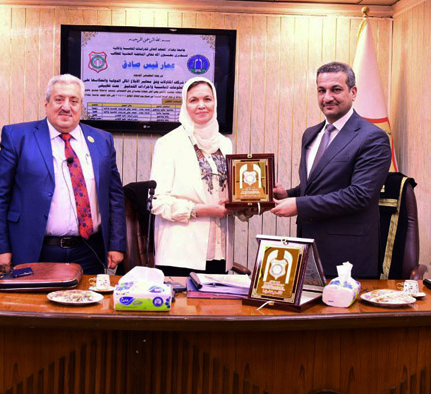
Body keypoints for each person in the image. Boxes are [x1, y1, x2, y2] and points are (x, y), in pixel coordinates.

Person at [0, 74, 126, 274]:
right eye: (59, 99)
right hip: (35, 250)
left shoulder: (102, 140)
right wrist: (0, 247)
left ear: (81, 107)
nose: (66, 107)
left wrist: (117, 244)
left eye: (74, 101)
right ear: (46, 105)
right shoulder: (18, 137)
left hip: (89, 251)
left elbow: (115, 197)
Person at [271, 61, 391, 279]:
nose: (327, 97)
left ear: (353, 92)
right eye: (321, 90)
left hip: (347, 255)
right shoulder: (311, 134)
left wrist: (299, 205)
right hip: (307, 247)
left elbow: (359, 195)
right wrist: (288, 194)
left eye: (336, 89)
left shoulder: (373, 137)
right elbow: (317, 185)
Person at [150, 77, 246, 277]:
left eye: (207, 99)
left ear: (215, 102)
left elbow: (229, 193)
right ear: (185, 105)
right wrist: (201, 210)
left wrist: (247, 205)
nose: (201, 105)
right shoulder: (168, 144)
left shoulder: (225, 144)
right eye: (193, 100)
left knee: (215, 299)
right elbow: (158, 202)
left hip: (219, 251)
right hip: (181, 253)